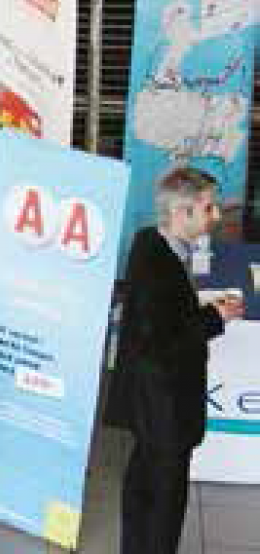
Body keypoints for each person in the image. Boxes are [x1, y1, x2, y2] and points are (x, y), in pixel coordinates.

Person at [108, 166, 244, 554]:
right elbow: (164, 342)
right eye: (209, 209)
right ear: (181, 214)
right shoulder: (160, 268)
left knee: (142, 488)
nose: (217, 217)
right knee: (163, 504)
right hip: (163, 406)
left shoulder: (149, 241)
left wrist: (200, 312)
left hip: (149, 404)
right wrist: (215, 317)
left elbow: (163, 320)